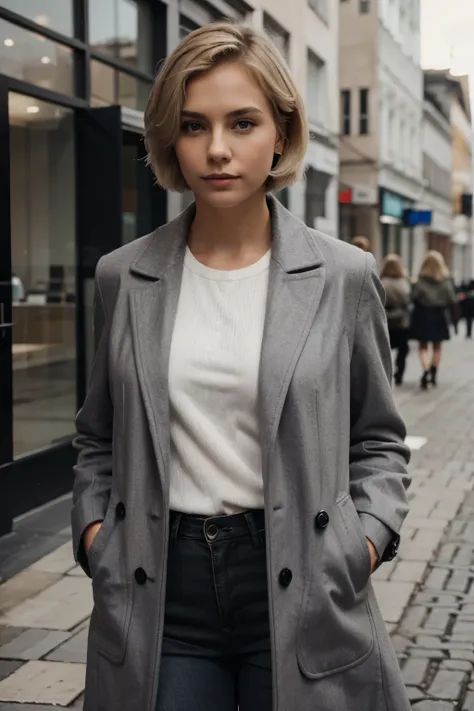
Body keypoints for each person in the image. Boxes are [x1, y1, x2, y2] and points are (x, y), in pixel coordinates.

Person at [71, 22, 411, 711]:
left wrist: (360, 546)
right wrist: (96, 536)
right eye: (194, 125)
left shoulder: (342, 276)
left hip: (305, 577)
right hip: (160, 580)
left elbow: (378, 440)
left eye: (243, 122)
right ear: (170, 138)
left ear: (281, 133)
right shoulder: (123, 276)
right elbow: (96, 438)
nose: (218, 149)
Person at [409, 250, 456, 389]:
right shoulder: (446, 281)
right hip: (439, 315)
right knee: (437, 346)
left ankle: (425, 370)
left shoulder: (419, 280)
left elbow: (413, 297)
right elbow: (452, 299)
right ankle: (434, 370)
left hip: (422, 315)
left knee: (423, 346)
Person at [380, 254, 411, 386]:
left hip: (384, 320)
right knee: (403, 349)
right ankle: (399, 372)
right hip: (401, 321)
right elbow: (407, 302)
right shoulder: (404, 283)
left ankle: (384, 374)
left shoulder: (380, 282)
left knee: (383, 348)